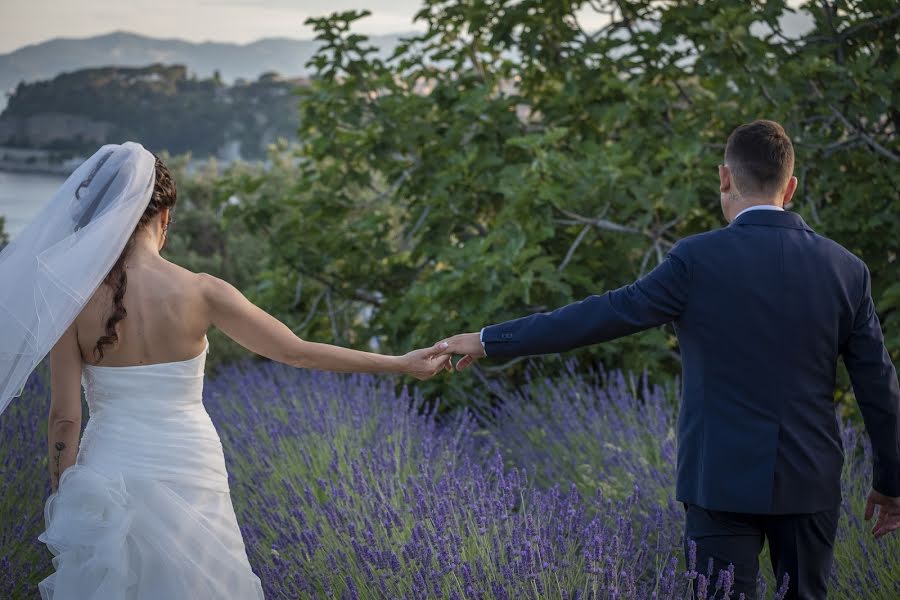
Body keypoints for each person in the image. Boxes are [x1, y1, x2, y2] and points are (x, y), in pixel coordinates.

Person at [435, 120, 900, 599]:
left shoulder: (695, 261)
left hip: (718, 481)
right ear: (792, 187)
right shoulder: (848, 270)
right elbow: (879, 387)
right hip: (810, 481)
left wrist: (490, 339)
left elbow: (600, 315)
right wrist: (891, 483)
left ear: (724, 178)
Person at [0, 143, 449, 599]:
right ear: (165, 218)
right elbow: (297, 352)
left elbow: (64, 417)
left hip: (110, 464)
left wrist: (64, 495)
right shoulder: (203, 291)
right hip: (189, 460)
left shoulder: (71, 302)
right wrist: (399, 363)